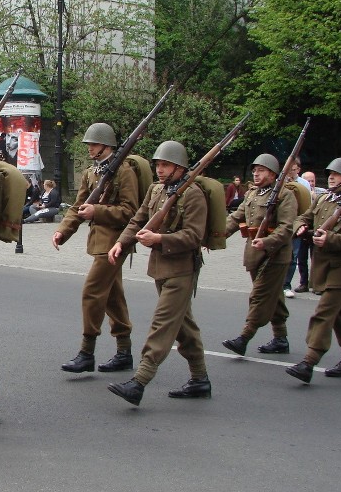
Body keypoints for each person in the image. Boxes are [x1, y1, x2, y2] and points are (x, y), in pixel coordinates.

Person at [106, 140, 211, 406]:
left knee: (163, 323)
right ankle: (200, 380)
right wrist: (121, 242)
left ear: (179, 167)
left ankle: (139, 381)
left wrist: (159, 238)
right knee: (184, 327)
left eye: (165, 165)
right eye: (158, 165)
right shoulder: (156, 190)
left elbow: (193, 235)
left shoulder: (193, 194)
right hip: (160, 269)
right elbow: (138, 219)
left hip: (181, 270)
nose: (160, 170)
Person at [53, 123, 139, 375]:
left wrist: (97, 211)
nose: (89, 147)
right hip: (98, 241)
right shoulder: (92, 173)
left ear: (106, 145)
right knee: (112, 296)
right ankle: (124, 351)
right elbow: (79, 205)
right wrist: (63, 230)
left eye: (93, 144)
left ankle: (86, 351)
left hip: (115, 242)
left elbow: (131, 211)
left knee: (92, 292)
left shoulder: (124, 172)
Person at [285, 158, 341, 384]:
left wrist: (330, 238)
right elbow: (303, 217)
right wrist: (301, 227)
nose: (331, 176)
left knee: (323, 313)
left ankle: (309, 361)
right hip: (323, 265)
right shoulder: (324, 198)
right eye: (330, 173)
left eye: (337, 174)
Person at [220, 154, 297, 357]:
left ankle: (244, 337)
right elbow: (237, 217)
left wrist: (268, 242)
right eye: (254, 170)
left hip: (276, 255)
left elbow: (287, 227)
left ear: (272, 174)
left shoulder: (284, 195)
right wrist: (217, 236)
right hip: (255, 254)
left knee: (260, 296)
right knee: (274, 297)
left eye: (260, 170)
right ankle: (281, 338)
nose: (255, 174)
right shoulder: (252, 193)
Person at [283, 157, 310, 297]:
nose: (290, 172)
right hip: (282, 224)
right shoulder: (280, 182)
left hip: (297, 223)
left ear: (298, 170)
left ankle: (287, 285)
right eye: (288, 170)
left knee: (293, 256)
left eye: (292, 170)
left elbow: (307, 206)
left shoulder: (304, 184)